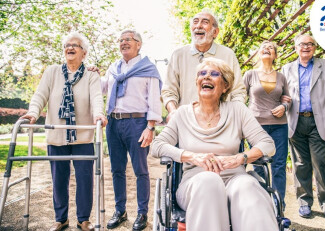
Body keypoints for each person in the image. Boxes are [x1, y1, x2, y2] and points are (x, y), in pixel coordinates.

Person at [152, 57, 279, 231]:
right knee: (209, 181)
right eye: (202, 74)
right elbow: (157, 145)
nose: (206, 77)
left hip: (234, 177)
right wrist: (192, 156)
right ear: (197, 82)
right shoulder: (182, 114)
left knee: (247, 186)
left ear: (225, 86)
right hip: (195, 182)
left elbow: (267, 144)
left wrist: (240, 158)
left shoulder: (238, 111)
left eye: (214, 74)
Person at [21, 32, 107, 231]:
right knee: (59, 180)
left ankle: (83, 219)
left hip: (83, 137)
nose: (70, 48)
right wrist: (32, 113)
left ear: (83, 53)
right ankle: (61, 219)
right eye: (67, 45)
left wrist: (99, 115)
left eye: (75, 45)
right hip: (57, 136)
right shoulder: (52, 72)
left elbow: (96, 98)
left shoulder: (91, 75)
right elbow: (40, 95)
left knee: (85, 181)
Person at [281, 34, 325, 225]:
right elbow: (283, 95)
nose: (306, 47)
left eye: (310, 44)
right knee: (300, 165)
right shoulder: (286, 68)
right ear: (295, 47)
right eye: (302, 44)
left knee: (321, 164)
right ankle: (304, 202)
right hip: (295, 121)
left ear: (315, 47)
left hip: (317, 122)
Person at [101, 29, 162, 230]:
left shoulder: (148, 68)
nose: (123, 43)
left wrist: (150, 127)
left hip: (137, 123)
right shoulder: (113, 68)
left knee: (140, 170)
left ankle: (142, 213)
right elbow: (102, 88)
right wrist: (90, 73)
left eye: (128, 39)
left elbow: (154, 99)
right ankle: (120, 210)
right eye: (120, 40)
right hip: (113, 123)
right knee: (116, 169)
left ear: (138, 44)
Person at [161, 10, 246, 121]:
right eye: (195, 22)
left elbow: (238, 91)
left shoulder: (228, 54)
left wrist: (235, 115)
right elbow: (169, 91)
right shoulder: (178, 55)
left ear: (215, 32)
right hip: (187, 122)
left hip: (221, 122)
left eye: (205, 22)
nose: (198, 26)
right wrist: (173, 111)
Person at [243, 40, 291, 207]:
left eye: (271, 47)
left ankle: (278, 204)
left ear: (275, 55)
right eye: (263, 47)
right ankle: (263, 203)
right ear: (258, 54)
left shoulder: (282, 77)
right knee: (259, 164)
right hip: (256, 126)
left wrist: (284, 106)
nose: (266, 49)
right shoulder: (250, 75)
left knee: (279, 165)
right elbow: (240, 99)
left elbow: (288, 99)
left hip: (279, 126)